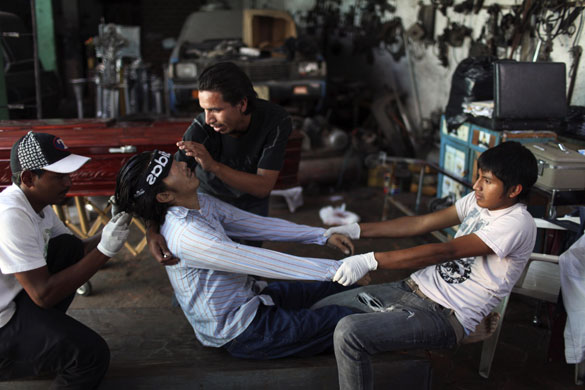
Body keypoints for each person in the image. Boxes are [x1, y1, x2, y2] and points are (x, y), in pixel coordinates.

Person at [316, 141, 538, 390]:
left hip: (446, 314)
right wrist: (357, 229)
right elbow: (420, 223)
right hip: (411, 288)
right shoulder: (478, 202)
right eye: (478, 177)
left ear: (514, 190)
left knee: (349, 333)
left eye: (487, 180)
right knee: (321, 311)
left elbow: (446, 250)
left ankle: (468, 329)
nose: (476, 186)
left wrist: (371, 260)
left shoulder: (518, 222)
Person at [115, 150, 363, 359]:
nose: (182, 164)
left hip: (254, 297)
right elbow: (262, 262)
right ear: (165, 196)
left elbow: (257, 225)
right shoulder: (187, 235)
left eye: (174, 159)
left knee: (338, 287)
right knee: (351, 320)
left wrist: (322, 235)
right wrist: (338, 270)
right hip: (242, 330)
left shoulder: (198, 202)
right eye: (171, 169)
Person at [0, 131, 131, 389]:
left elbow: (77, 252)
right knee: (91, 355)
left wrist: (113, 226)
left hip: (14, 304)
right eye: (59, 176)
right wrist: (106, 250)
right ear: (28, 178)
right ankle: (22, 356)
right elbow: (43, 295)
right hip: (3, 324)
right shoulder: (11, 214)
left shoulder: (38, 203)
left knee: (67, 247)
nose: (68, 182)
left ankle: (42, 344)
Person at [149, 61, 293, 263]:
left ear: (242, 104)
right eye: (204, 109)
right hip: (208, 199)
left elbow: (263, 187)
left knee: (249, 265)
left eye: (216, 110)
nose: (209, 119)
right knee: (216, 265)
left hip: (252, 203)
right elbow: (165, 182)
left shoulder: (275, 121)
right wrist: (152, 231)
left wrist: (213, 166)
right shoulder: (201, 129)